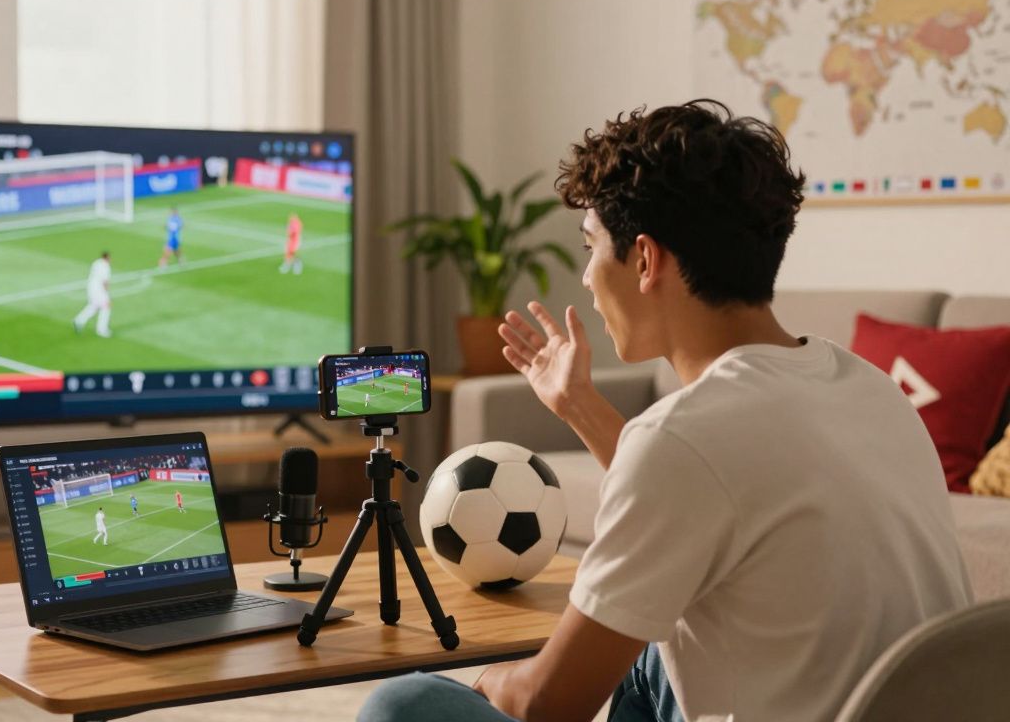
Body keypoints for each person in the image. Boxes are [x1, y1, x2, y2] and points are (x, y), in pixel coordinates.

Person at [358, 100, 972, 722]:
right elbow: (710, 493)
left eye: (592, 248)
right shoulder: (871, 387)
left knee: (403, 701)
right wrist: (578, 404)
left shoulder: (683, 438)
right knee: (657, 634)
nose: (590, 279)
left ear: (646, 260)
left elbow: (549, 702)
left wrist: (488, 679)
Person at [73, 251, 112, 338]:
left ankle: (79, 320)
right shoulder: (106, 266)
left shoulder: (96, 262)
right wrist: (107, 293)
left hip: (91, 288)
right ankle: (101, 330)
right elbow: (105, 282)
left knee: (93, 306)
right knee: (106, 307)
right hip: (99, 290)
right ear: (107, 258)